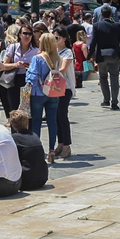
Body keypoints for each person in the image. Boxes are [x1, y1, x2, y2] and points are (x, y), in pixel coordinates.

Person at [25, 33, 61, 163]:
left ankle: (37, 151)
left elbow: (32, 76)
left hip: (38, 93)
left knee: (36, 122)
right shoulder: (56, 58)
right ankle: (51, 149)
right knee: (52, 121)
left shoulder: (37, 58)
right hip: (53, 92)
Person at [88, 5, 120, 110]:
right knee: (114, 77)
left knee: (103, 77)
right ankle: (114, 102)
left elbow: (93, 41)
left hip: (101, 55)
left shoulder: (97, 25)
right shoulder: (116, 25)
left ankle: (106, 100)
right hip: (114, 55)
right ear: (111, 15)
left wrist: (90, 54)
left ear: (101, 15)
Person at [8, 110, 48, 190]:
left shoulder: (14, 138)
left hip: (26, 181)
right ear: (27, 123)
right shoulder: (34, 136)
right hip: (43, 178)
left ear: (12, 125)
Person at [52, 27, 75, 159]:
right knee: (55, 116)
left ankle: (67, 145)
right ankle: (60, 143)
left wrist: (51, 70)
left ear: (64, 39)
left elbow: (63, 69)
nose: (55, 40)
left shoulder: (67, 52)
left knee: (62, 115)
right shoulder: (54, 51)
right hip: (55, 87)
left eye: (57, 38)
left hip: (65, 88)